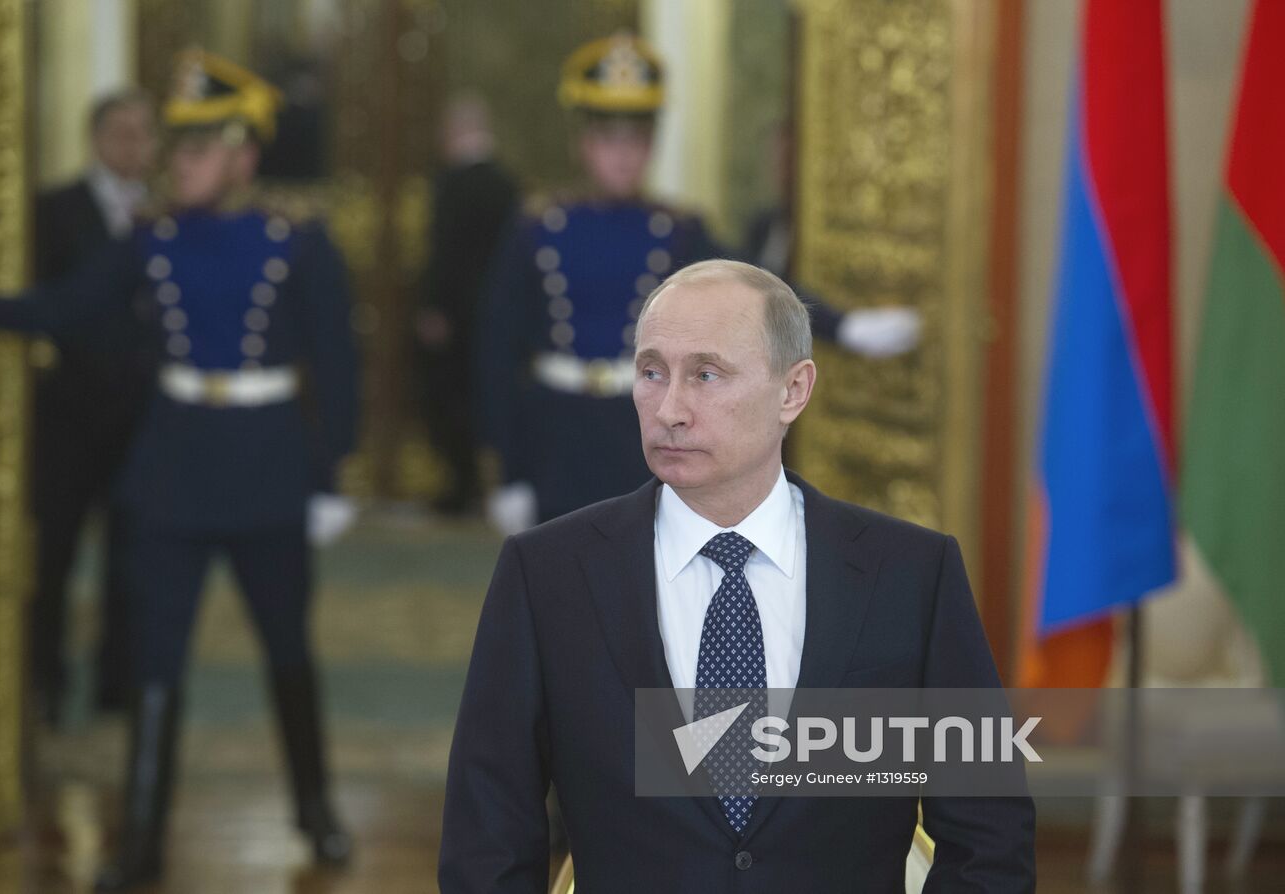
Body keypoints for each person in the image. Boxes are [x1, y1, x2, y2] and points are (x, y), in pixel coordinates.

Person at [441, 259, 1035, 892]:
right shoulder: (546, 575)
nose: (669, 408)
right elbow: (488, 843)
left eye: (706, 374)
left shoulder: (911, 574)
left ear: (793, 391)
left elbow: (989, 838)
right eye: (650, 372)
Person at [0, 50, 358, 890]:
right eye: (175, 147)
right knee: (155, 662)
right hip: (171, 470)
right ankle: (141, 845)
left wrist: (330, 476)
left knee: (287, 650)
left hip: (266, 467)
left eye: (196, 148)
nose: (176, 162)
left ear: (242, 156)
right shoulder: (151, 240)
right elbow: (69, 307)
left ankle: (318, 812)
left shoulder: (297, 242)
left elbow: (338, 363)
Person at [477, 34, 922, 535]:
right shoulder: (538, 226)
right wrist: (507, 469)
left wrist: (847, 326)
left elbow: (765, 292)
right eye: (609, 138)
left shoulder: (676, 230)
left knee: (645, 585)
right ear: (583, 142)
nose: (624, 155)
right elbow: (496, 350)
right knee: (559, 590)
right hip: (555, 433)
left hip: (643, 428)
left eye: (638, 139)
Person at [29, 90, 159, 723]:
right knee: (54, 551)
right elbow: (45, 303)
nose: (131, 145)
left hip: (140, 419)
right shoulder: (54, 210)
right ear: (95, 138)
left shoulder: (166, 216)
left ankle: (118, 682)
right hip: (69, 415)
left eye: (142, 133)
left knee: (132, 559)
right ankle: (45, 679)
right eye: (120, 132)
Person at [416, 93, 520, 515]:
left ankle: (461, 485)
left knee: (453, 398)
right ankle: (485, 480)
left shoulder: (451, 184)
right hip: (497, 312)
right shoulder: (506, 182)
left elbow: (445, 254)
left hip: (457, 315)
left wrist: (434, 307)